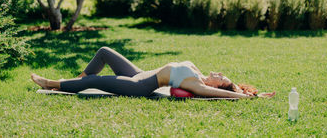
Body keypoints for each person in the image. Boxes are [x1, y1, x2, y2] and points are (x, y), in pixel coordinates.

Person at [31, 47, 275, 99]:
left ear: (216, 85)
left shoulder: (197, 85)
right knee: (105, 52)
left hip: (139, 85)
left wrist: (247, 97)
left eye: (221, 78)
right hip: (140, 72)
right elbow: (231, 89)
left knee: (95, 81)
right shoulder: (197, 72)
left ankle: (54, 84)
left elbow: (226, 95)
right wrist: (246, 88)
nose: (220, 73)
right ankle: (78, 81)